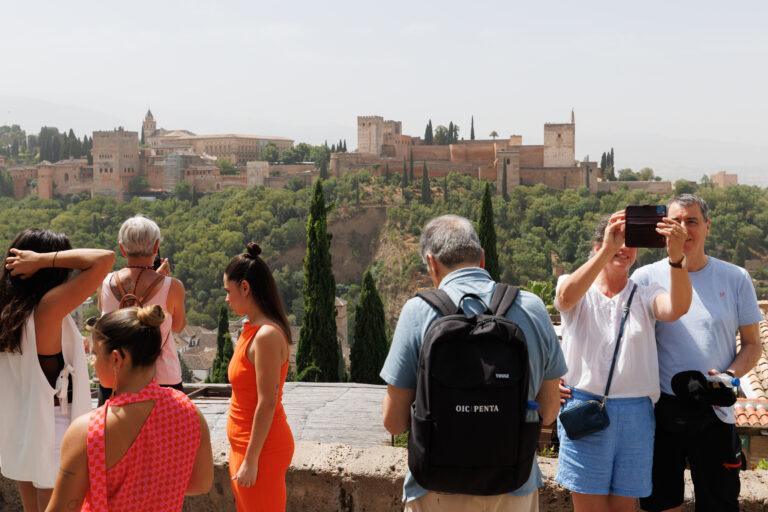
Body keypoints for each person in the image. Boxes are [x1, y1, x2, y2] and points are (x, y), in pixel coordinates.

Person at [381, 214, 566, 512]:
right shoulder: (531, 307)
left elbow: (393, 420)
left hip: (436, 489)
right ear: (481, 259)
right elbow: (548, 411)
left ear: (431, 263)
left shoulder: (418, 312)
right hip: (513, 485)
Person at [632, 194, 763, 512]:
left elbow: (752, 344)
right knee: (661, 503)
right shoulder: (645, 278)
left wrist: (730, 376)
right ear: (664, 227)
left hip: (715, 411)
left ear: (708, 226)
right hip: (660, 410)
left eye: (691, 221)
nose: (683, 228)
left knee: (719, 503)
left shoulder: (735, 278)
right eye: (675, 221)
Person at [554, 211, 691, 512]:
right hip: (586, 407)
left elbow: (677, 307)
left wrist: (677, 258)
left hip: (636, 413)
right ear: (596, 245)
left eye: (629, 242)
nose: (623, 247)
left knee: (625, 506)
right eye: (616, 238)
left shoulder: (645, 294)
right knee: (589, 506)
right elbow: (564, 298)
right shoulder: (576, 287)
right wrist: (607, 249)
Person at [45, 305, 213, 511]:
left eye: (96, 355)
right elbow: (201, 483)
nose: (94, 364)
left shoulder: (88, 430)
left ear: (117, 358)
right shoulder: (190, 413)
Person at [0, 229, 115, 512]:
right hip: (54, 427)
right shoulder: (47, 309)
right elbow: (104, 259)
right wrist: (42, 259)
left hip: (18, 425)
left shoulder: (9, 312)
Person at [224, 242, 295, 512]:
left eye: (229, 291)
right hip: (245, 444)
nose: (227, 299)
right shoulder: (250, 329)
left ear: (245, 287)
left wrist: (251, 460)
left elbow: (267, 401)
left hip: (260, 450)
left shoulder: (265, 335)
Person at [97, 215, 186, 403]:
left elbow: (105, 321)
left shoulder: (106, 283)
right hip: (163, 377)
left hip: (117, 378)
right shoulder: (173, 287)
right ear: (156, 247)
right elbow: (177, 327)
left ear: (122, 248)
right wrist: (160, 281)